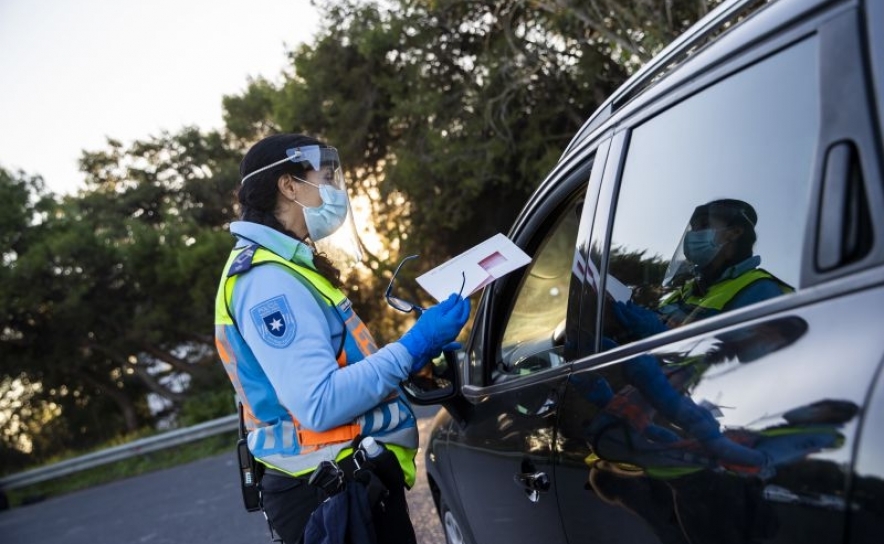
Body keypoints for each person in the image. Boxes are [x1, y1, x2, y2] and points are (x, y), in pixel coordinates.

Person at [213, 133, 470, 544]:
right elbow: (318, 403)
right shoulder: (267, 282)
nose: (335, 188)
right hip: (326, 495)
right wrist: (411, 347)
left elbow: (340, 365)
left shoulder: (288, 265)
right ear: (289, 185)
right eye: (326, 175)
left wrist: (412, 363)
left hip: (343, 483)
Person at [613, 198, 793, 340]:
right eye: (693, 228)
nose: (693, 234)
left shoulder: (761, 291)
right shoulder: (690, 288)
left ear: (735, 232)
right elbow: (656, 320)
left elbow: (730, 357)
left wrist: (658, 333)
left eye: (704, 225)